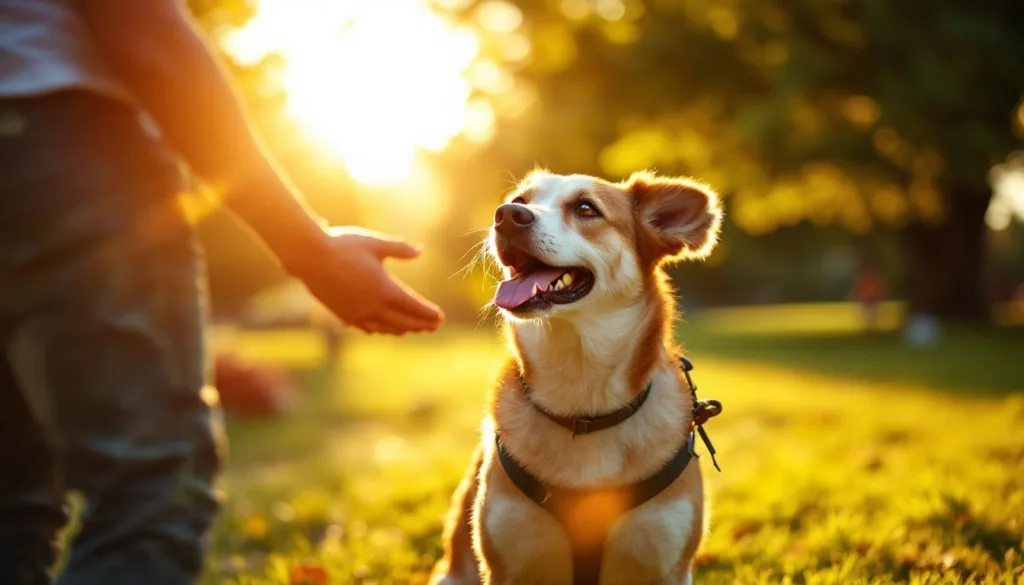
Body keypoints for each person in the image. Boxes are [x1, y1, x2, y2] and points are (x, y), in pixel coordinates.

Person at [0, 1, 444, 584]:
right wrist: (307, 248)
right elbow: (146, 41)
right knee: (152, 493)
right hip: (60, 145)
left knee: (13, 498)